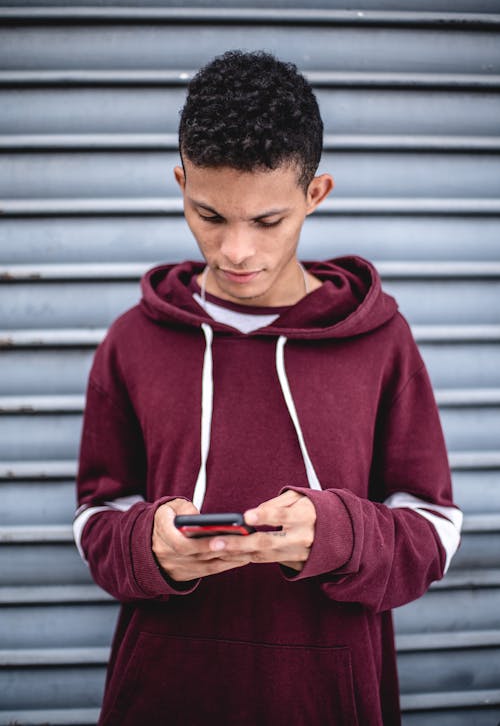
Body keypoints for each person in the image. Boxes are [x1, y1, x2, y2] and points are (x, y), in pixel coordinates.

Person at [74, 50, 462, 726]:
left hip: (327, 697)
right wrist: (147, 547)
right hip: (164, 693)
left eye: (267, 221)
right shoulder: (132, 340)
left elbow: (434, 530)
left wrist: (339, 534)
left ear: (316, 196)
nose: (235, 252)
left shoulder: (378, 339)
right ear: (180, 182)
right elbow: (96, 514)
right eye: (210, 215)